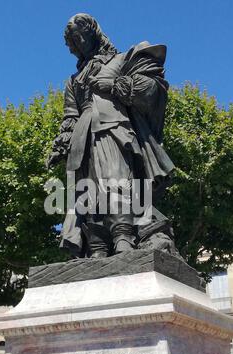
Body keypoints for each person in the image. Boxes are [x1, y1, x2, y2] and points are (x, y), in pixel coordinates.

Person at [48, 13, 175, 259]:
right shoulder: (74, 81)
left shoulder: (121, 60)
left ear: (91, 32)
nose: (75, 45)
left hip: (113, 128)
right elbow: (70, 117)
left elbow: (151, 88)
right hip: (81, 140)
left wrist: (116, 85)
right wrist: (60, 145)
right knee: (88, 192)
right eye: (71, 42)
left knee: (117, 181)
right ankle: (97, 248)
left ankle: (123, 239)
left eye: (77, 37)